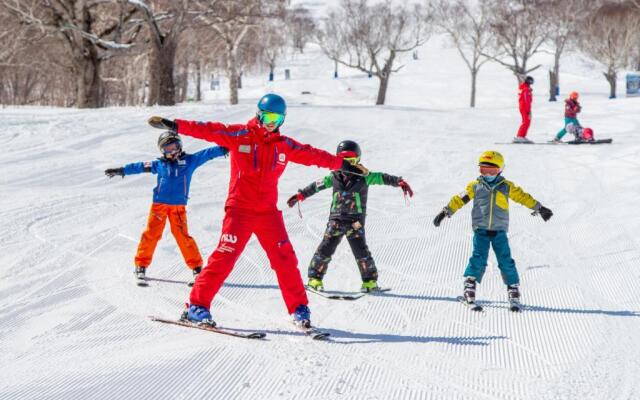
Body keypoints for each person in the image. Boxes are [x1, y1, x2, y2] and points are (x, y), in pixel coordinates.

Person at [147, 93, 367, 328]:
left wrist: (343, 165)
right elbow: (209, 129)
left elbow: (312, 154)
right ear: (259, 115)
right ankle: (197, 306)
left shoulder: (284, 145)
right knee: (224, 257)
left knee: (285, 260)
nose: (272, 122)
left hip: (268, 214)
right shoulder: (239, 134)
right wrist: (176, 126)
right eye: (268, 116)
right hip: (239, 211)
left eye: (277, 118)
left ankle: (299, 309)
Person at [286, 140, 413, 293]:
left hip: (355, 222)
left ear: (358, 160)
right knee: (325, 249)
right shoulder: (333, 177)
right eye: (344, 161)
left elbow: (382, 177)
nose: (347, 165)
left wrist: (399, 182)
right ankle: (315, 279)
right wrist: (301, 195)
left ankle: (369, 283)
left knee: (361, 252)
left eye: (351, 161)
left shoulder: (365, 177)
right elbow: (316, 186)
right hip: (336, 220)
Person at [104, 131, 228, 286]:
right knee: (151, 234)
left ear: (180, 146)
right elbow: (140, 167)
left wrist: (225, 147)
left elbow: (207, 153)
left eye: (174, 146)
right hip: (159, 206)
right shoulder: (159, 165)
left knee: (182, 236)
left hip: (178, 207)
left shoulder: (190, 161)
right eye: (167, 149)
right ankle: (140, 266)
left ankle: (197, 269)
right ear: (162, 151)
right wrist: (122, 170)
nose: (172, 151)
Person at [432, 151, 553, 308]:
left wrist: (540, 208)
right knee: (478, 258)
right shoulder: (474, 186)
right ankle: (469, 287)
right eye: (484, 170)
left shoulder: (506, 187)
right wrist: (446, 211)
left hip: (499, 230)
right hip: (480, 229)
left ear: (500, 170)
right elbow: (459, 199)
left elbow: (523, 197)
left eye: (492, 171)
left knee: (505, 260)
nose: (488, 174)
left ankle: (513, 289)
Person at [514, 76, 534, 144]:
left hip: (524, 107)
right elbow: (526, 100)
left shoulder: (526, 88)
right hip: (524, 107)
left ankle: (522, 136)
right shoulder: (525, 89)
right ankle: (520, 136)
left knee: (527, 121)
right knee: (526, 121)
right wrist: (528, 110)